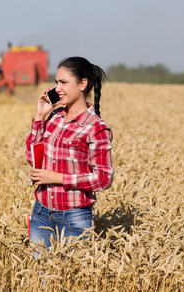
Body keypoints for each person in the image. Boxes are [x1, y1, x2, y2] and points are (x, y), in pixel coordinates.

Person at [25, 56, 114, 251]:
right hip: (41, 212)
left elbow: (104, 178)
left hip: (74, 219)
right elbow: (32, 159)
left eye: (64, 82)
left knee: (71, 279)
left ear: (83, 84)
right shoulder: (54, 117)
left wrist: (57, 178)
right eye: (56, 82)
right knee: (38, 278)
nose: (57, 88)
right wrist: (40, 116)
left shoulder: (96, 128)